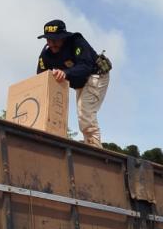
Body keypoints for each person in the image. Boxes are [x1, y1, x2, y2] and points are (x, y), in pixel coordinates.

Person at [36, 19, 111, 148]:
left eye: (55, 40)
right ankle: (89, 143)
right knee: (82, 113)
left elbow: (86, 66)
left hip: (96, 75)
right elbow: (41, 76)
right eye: (48, 40)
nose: (52, 44)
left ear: (63, 37)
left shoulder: (76, 41)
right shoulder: (46, 55)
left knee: (85, 113)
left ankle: (95, 150)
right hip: (80, 82)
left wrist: (65, 73)